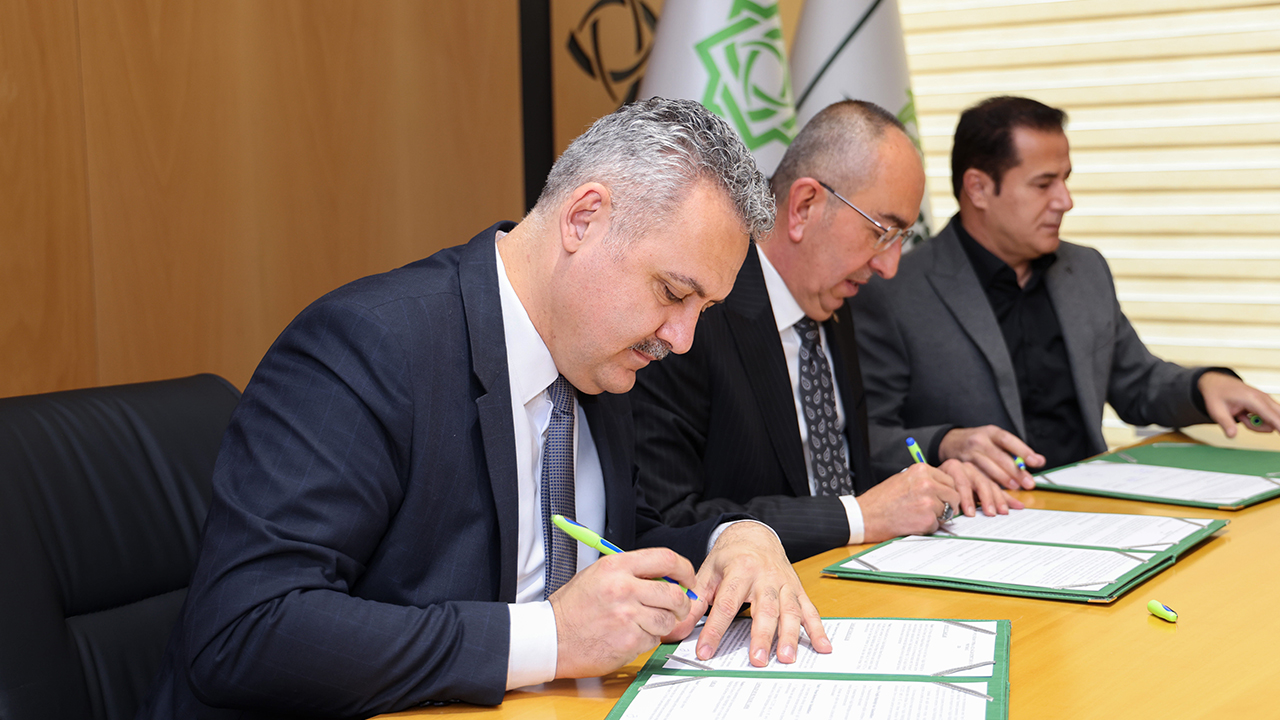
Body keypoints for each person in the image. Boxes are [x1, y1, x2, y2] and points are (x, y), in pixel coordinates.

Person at [138, 98, 831, 719]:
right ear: (584, 219)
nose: (681, 339)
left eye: (702, 310)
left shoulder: (599, 352)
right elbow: (246, 629)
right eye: (673, 293)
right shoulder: (370, 346)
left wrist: (732, 538)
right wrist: (550, 638)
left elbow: (607, 538)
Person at [630, 101, 1019, 563]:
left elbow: (836, 462)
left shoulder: (833, 296)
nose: (889, 267)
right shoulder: (692, 314)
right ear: (804, 207)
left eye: (900, 240)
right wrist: (858, 516)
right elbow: (671, 520)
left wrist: (935, 475)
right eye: (881, 233)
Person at [850, 95, 1280, 487]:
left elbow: (1137, 383)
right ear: (978, 188)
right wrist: (945, 443)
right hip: (980, 519)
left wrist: (1204, 385)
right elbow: (865, 440)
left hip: (1098, 504)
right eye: (1043, 184)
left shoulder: (1085, 269)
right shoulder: (892, 288)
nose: (1065, 200)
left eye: (1065, 180)